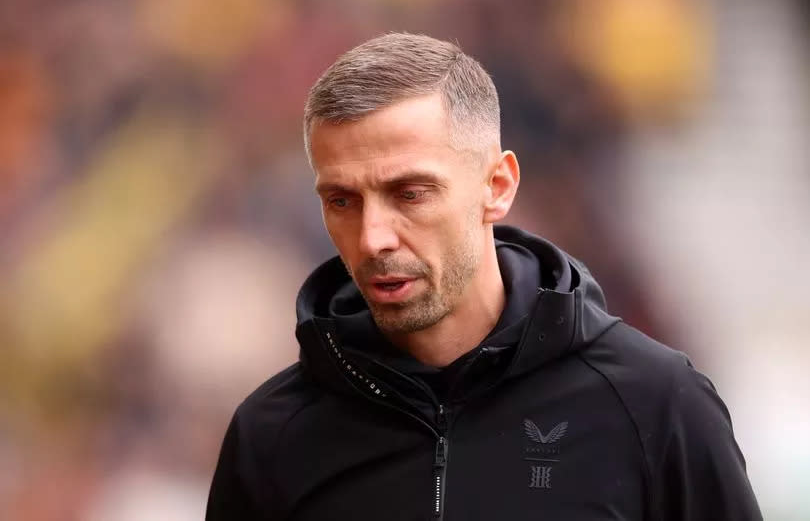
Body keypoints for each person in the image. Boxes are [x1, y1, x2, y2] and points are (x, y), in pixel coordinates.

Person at [206, 33, 761, 521]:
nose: (373, 237)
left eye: (410, 194)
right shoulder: (271, 437)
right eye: (343, 200)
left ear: (497, 186)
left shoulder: (657, 404)